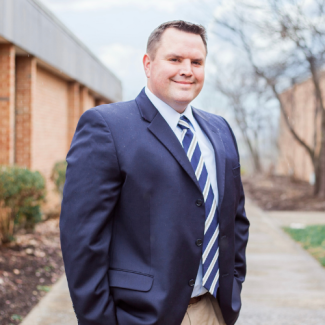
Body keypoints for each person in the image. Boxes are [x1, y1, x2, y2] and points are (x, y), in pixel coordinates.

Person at [60, 20, 250, 325]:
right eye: (175, 59)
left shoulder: (220, 129)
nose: (187, 69)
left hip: (213, 310)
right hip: (139, 315)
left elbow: (235, 219)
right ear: (148, 64)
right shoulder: (106, 126)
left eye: (196, 62)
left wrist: (234, 283)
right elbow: (82, 241)